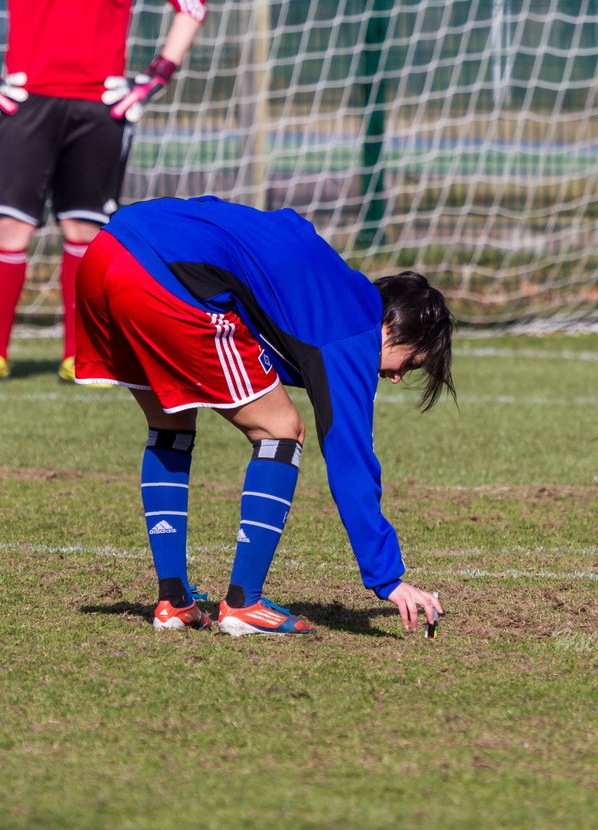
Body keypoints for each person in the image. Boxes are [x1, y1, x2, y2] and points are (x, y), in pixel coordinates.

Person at [74, 195, 455, 636]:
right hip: (164, 276)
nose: (394, 378)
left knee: (171, 421)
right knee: (281, 429)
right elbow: (350, 458)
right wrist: (388, 578)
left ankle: (174, 602)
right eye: (409, 364)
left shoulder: (324, 286)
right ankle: (244, 604)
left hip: (106, 252)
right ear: (394, 327)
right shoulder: (354, 326)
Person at [0, 0, 207, 385]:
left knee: (85, 231)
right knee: (10, 227)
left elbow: (193, 7)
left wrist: (156, 78)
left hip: (100, 107)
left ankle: (80, 357)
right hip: (24, 102)